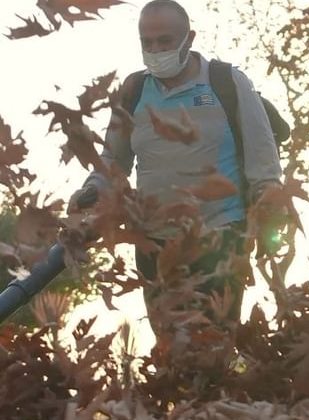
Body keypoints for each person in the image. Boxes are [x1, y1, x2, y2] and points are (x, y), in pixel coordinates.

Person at [68, 0, 282, 331]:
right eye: (147, 42)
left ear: (189, 38)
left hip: (219, 242)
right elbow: (113, 160)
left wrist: (268, 219)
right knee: (171, 355)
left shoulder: (227, 83)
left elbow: (263, 165)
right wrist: (93, 190)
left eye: (165, 41)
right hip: (155, 246)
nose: (155, 50)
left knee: (210, 352)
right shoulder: (134, 91)